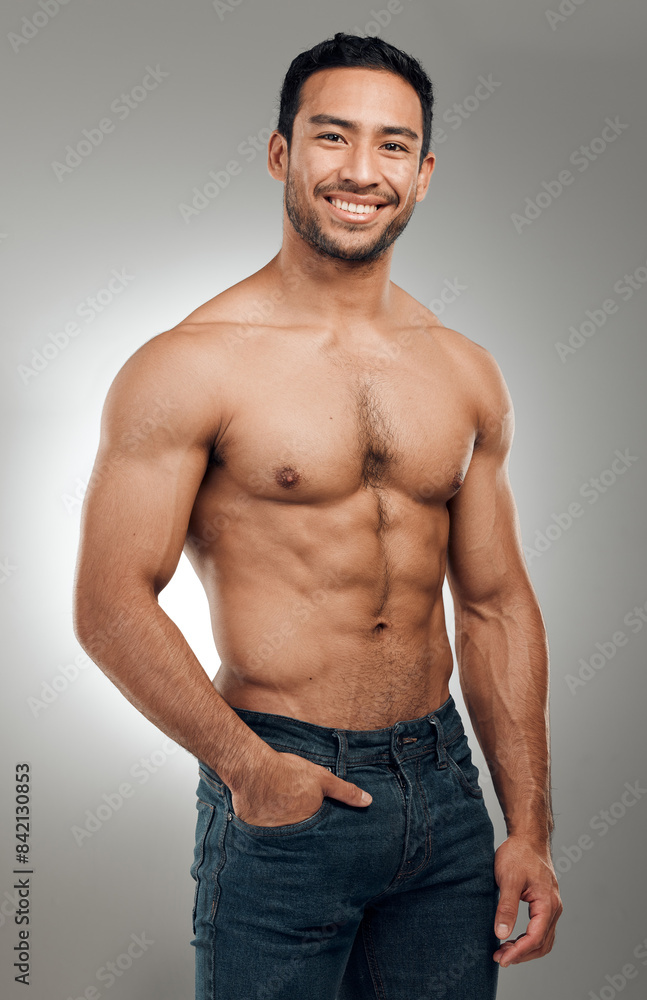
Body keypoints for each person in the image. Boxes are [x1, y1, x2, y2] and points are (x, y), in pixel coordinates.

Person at [73, 31, 562, 1000]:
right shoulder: (188, 364)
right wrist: (247, 767)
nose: (358, 170)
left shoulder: (463, 370)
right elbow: (108, 599)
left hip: (446, 795)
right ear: (280, 154)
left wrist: (528, 829)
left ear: (422, 176)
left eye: (390, 146)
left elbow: (496, 604)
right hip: (283, 792)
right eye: (331, 136)